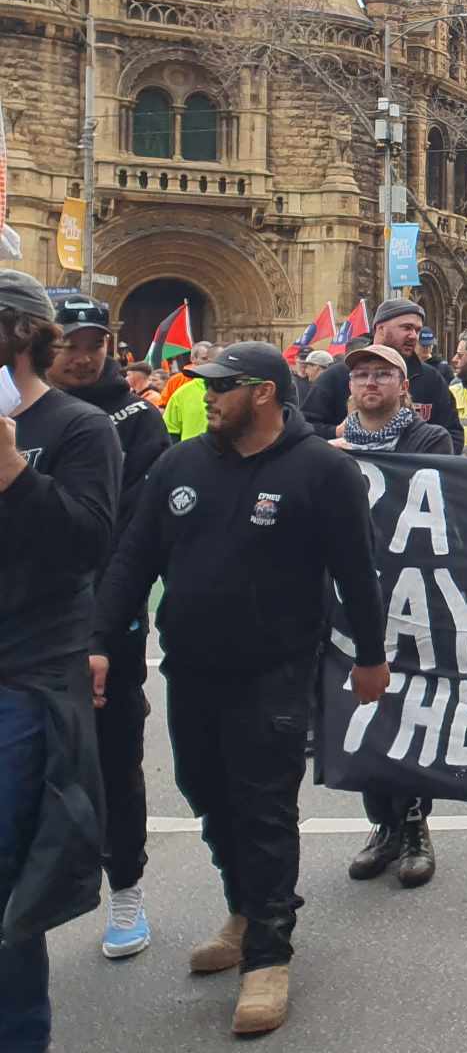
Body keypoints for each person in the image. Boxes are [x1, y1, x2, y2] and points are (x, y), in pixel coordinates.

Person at [92, 343, 390, 1037]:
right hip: (191, 664)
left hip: (276, 667)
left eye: (221, 387)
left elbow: (357, 570)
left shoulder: (323, 470)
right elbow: (136, 554)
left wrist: (371, 657)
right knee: (205, 791)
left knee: (262, 804)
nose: (207, 397)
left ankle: (268, 954)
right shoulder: (181, 461)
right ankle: (246, 905)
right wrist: (101, 640)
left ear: (262, 393)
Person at [0, 274, 121, 1049]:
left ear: (16, 332)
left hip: (22, 681)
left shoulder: (78, 428)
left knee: (8, 890)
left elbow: (87, 541)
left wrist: (14, 473)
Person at [49, 296, 171, 960]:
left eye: (94, 340)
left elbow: (134, 535)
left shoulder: (136, 420)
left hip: (105, 620)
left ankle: (125, 887)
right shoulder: (20, 409)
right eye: (70, 339)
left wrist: (101, 628)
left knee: (114, 757)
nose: (83, 352)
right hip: (26, 625)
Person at [323, 343, 455, 891]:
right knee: (363, 709)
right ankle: (382, 823)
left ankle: (415, 824)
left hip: (415, 591)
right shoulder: (329, 445)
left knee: (412, 707)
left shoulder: (428, 439)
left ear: (404, 387)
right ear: (350, 388)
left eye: (383, 374)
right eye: (361, 376)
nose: (371, 383)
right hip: (351, 593)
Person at [302, 300, 463, 451]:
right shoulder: (336, 376)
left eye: (417, 330)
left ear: (403, 386)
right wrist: (336, 433)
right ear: (380, 329)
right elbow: (305, 429)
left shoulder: (431, 379)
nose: (414, 336)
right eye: (406, 328)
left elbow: (453, 435)